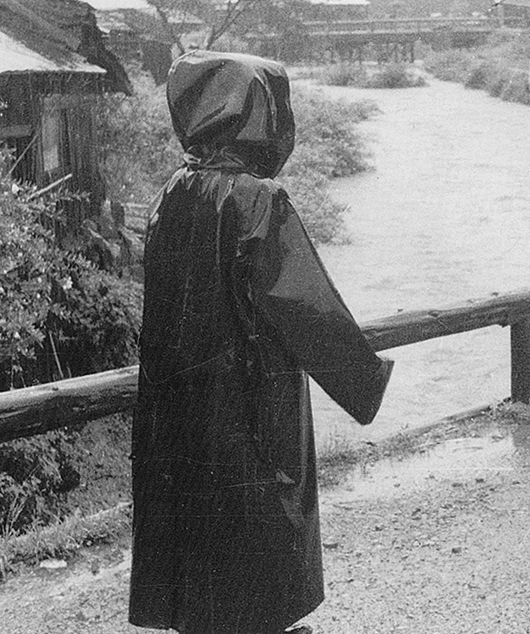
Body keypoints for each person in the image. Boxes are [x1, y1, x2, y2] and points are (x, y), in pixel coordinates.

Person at [129, 51, 394, 634]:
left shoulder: (171, 192)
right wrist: (364, 379)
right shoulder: (258, 200)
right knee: (258, 510)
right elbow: (307, 307)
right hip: (252, 390)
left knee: (195, 509)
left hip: (180, 395)